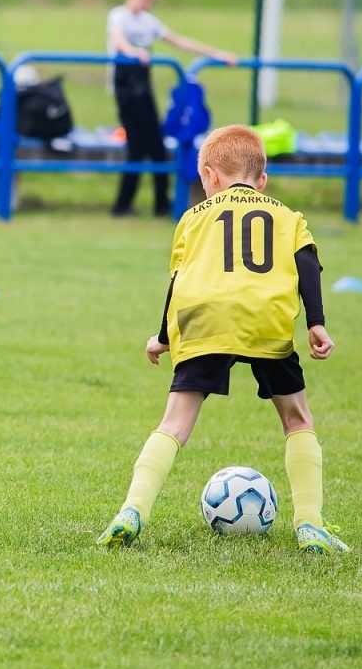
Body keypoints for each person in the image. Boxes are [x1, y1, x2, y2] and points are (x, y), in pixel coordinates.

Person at [97, 124, 349, 556]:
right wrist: (316, 323)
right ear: (263, 180)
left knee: (174, 423)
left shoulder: (192, 218)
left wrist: (162, 337)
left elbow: (178, 281)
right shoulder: (288, 217)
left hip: (205, 318)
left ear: (209, 177)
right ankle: (310, 524)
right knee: (297, 419)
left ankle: (132, 510)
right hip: (265, 317)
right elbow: (306, 264)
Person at [106, 0, 237, 217]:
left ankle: (161, 204)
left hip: (143, 89)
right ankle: (122, 206)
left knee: (156, 146)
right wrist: (133, 52)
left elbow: (180, 42)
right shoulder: (119, 16)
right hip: (125, 91)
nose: (146, 3)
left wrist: (217, 54)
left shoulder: (148, 22)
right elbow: (118, 39)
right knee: (136, 147)